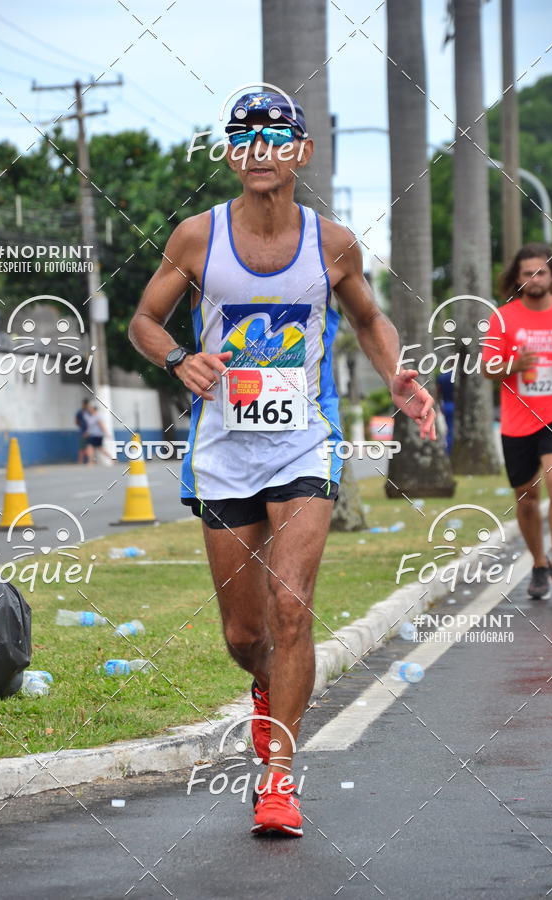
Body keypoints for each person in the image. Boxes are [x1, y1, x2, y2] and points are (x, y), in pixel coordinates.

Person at [129, 90, 436, 837]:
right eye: (243, 137)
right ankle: (268, 692)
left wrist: (397, 371)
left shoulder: (331, 243)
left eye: (275, 136)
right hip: (224, 450)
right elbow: (141, 319)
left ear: (300, 151)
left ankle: (278, 780)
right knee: (244, 635)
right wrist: (177, 358)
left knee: (291, 606)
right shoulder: (197, 239)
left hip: (305, 441)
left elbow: (367, 317)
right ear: (231, 154)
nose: (259, 147)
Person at [481, 242, 552, 600]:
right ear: (518, 278)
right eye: (528, 273)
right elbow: (487, 369)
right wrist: (515, 366)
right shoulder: (503, 318)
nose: (535, 278)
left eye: (541, 271)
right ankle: (540, 564)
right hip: (518, 419)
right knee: (526, 498)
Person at [75, 397, 90, 464]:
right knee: (82, 447)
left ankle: (90, 460)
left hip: (89, 432)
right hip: (83, 432)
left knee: (89, 447)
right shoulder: (80, 412)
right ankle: (80, 461)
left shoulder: (89, 412)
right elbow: (76, 421)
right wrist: (82, 426)